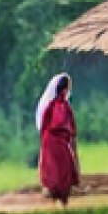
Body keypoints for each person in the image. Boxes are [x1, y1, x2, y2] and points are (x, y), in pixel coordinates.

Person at [36, 73, 80, 206]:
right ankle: (60, 200)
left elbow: (45, 126)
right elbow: (70, 127)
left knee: (59, 170)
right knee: (61, 171)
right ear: (64, 89)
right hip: (56, 142)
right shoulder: (62, 107)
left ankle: (59, 199)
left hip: (56, 142)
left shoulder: (58, 106)